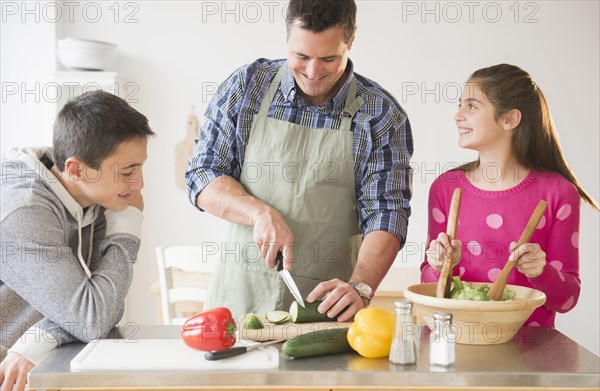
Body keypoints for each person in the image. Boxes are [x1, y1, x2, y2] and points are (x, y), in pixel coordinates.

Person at [185, 0, 413, 322]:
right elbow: (202, 175)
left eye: (329, 58)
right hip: (238, 304)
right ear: (288, 38)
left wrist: (361, 286)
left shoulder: (380, 116)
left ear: (351, 41)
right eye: (301, 56)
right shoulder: (248, 86)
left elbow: (387, 214)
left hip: (325, 310)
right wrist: (258, 212)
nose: (313, 72)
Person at [0, 91, 154, 391]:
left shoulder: (91, 199)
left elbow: (104, 305)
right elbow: (92, 317)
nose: (139, 184)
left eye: (139, 168)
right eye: (127, 172)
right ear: (77, 169)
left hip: (27, 367)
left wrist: (42, 335)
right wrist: (127, 228)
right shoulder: (24, 210)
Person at [422, 63, 599, 327]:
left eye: (471, 106)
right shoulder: (446, 188)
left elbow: (567, 300)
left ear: (510, 119)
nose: (457, 115)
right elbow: (428, 284)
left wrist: (541, 272)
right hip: (456, 343)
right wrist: (440, 266)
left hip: (530, 355)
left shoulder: (558, 192)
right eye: (460, 105)